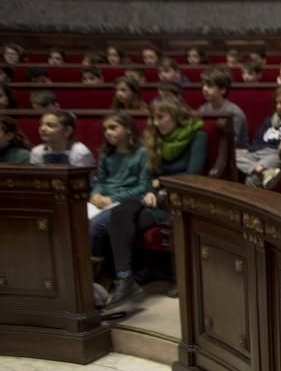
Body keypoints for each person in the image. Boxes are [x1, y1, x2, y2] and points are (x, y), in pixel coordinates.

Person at [103, 96, 206, 308]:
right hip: (156, 199)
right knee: (119, 214)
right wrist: (151, 188)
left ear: (176, 115)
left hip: (182, 199)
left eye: (161, 117)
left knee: (125, 216)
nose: (156, 123)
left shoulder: (198, 136)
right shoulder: (154, 139)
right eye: (153, 118)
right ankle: (125, 278)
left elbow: (194, 174)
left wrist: (162, 185)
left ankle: (132, 277)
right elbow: (149, 174)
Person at [89, 112, 151, 262]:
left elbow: (143, 186)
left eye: (113, 127)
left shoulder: (142, 153)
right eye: (105, 129)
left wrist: (112, 199)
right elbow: (100, 181)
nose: (108, 132)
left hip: (126, 201)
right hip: (103, 200)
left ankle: (98, 268)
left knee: (96, 228)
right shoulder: (106, 153)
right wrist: (95, 194)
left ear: (128, 129)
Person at [237, 84, 281, 188]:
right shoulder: (268, 120)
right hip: (258, 152)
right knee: (233, 154)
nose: (278, 106)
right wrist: (250, 150)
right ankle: (264, 171)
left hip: (275, 154)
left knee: (252, 179)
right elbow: (257, 139)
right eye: (277, 103)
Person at [198, 68, 248, 148]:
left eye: (209, 85)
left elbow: (231, 143)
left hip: (236, 153)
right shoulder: (203, 109)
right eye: (203, 85)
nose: (204, 89)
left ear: (223, 90)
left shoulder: (234, 112)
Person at [30, 111, 95, 167]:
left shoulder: (80, 152)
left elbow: (84, 180)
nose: (42, 129)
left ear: (67, 131)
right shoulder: (37, 151)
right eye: (41, 124)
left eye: (50, 125)